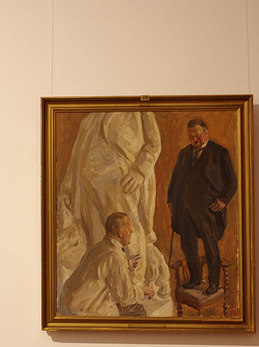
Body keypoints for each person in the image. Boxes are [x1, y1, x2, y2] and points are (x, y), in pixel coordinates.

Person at [57, 112, 173, 316]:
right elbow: (81, 145)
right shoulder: (93, 113)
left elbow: (153, 143)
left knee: (130, 237)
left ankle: (131, 294)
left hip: (122, 182)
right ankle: (111, 295)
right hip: (91, 186)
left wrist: (140, 171)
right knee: (101, 242)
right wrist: (71, 184)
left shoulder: (141, 109)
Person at [167, 119, 237, 295]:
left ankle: (213, 282)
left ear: (206, 133)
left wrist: (223, 200)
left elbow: (232, 182)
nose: (194, 139)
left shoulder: (219, 153)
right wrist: (170, 201)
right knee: (188, 245)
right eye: (191, 136)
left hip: (208, 210)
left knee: (210, 247)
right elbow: (175, 179)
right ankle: (195, 278)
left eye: (197, 135)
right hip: (184, 210)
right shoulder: (184, 153)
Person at [59, 212, 154, 316]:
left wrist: (127, 267)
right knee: (138, 310)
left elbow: (106, 277)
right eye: (129, 228)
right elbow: (125, 297)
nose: (131, 231)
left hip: (67, 305)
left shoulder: (97, 248)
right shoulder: (114, 256)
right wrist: (141, 291)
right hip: (83, 311)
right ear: (120, 233)